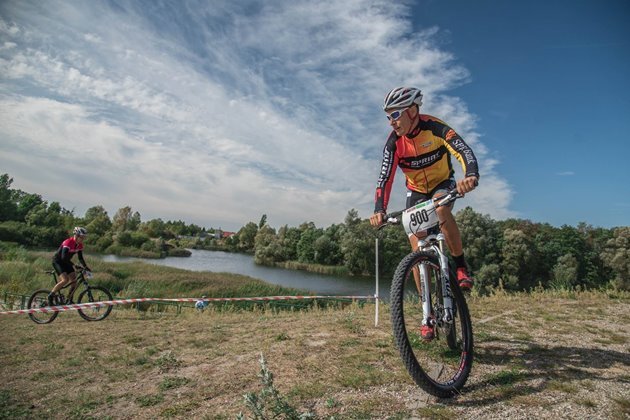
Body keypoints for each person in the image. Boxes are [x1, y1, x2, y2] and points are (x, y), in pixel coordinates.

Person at [369, 87, 479, 339]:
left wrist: (470, 175)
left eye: (395, 115)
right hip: (416, 191)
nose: (392, 122)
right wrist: (379, 210)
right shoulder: (394, 143)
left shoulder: (435, 128)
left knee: (441, 207)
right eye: (388, 117)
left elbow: (463, 151)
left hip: (443, 184)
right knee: (417, 245)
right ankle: (427, 311)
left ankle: (460, 266)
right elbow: (384, 178)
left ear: (412, 110)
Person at [49, 227, 91, 305]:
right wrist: (74, 265)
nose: (83, 239)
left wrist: (85, 267)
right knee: (65, 280)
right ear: (77, 235)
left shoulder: (80, 245)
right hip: (58, 261)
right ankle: (51, 296)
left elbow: (80, 258)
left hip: (66, 262)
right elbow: (63, 257)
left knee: (74, 281)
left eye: (84, 237)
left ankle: (69, 299)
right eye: (82, 237)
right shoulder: (68, 242)